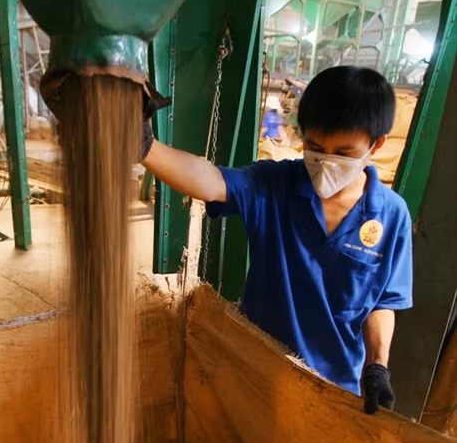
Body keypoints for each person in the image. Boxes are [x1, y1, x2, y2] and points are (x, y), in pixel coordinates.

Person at [142, 66, 413, 414]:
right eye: (315, 148)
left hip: (331, 388)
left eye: (343, 154)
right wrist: (146, 147)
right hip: (254, 374)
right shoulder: (274, 186)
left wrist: (377, 366)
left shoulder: (391, 216)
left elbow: (383, 301)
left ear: (376, 145)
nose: (327, 163)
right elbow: (210, 180)